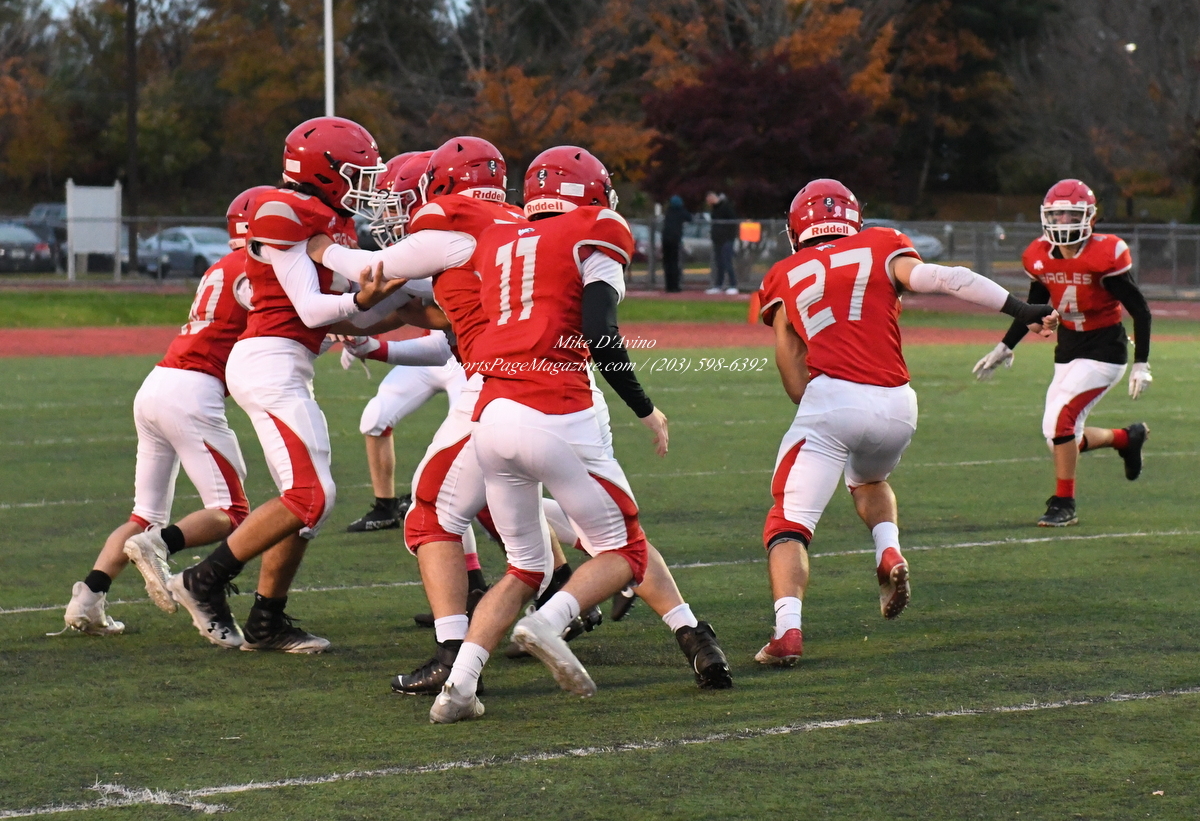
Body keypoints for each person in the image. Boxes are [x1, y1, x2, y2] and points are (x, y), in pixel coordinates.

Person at [428, 145, 731, 725]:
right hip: (557, 409)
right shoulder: (595, 229)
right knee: (625, 551)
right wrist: (644, 407)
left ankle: (459, 688)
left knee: (524, 567)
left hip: (491, 414)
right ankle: (549, 622)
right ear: (590, 192)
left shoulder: (498, 238)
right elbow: (599, 329)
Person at [753, 178, 1057, 666]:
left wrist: (821, 409)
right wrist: (1023, 310)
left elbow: (790, 368)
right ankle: (888, 550)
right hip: (898, 405)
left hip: (832, 398)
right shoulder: (881, 243)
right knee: (869, 478)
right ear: (854, 219)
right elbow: (948, 278)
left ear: (795, 230)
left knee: (788, 524)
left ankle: (788, 632)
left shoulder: (783, 273)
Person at [166, 116, 405, 653]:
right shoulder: (284, 209)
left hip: (288, 365)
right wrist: (364, 300)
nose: (365, 185)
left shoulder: (332, 221)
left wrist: (410, 307)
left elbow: (351, 316)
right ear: (321, 170)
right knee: (310, 496)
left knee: (308, 503)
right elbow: (314, 309)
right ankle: (202, 579)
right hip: (267, 362)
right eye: (357, 173)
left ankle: (266, 620)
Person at [59, 185, 271, 636]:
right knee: (232, 512)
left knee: (144, 513)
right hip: (193, 391)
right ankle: (159, 545)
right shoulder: (256, 268)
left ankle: (87, 601)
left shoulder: (220, 266)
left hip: (158, 382)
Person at [973, 178, 1152, 527]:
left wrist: (1141, 363)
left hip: (1105, 351)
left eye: (1071, 215)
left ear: (1089, 218)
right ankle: (1126, 438)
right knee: (1056, 436)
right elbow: (1033, 308)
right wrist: (1005, 346)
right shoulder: (1038, 256)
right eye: (1057, 215)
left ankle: (1064, 503)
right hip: (1068, 350)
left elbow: (1140, 310)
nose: (1063, 222)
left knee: (1061, 425)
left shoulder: (1105, 254)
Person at [340, 150, 472, 534]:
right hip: (453, 352)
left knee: (460, 477)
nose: (386, 215)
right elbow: (388, 310)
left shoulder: (456, 246)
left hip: (480, 365)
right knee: (377, 418)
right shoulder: (427, 248)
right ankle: (386, 506)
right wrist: (355, 331)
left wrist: (321, 254)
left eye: (394, 202)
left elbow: (446, 320)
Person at [705, 190, 738, 295]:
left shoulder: (726, 206)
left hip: (727, 239)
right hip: (717, 240)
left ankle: (733, 285)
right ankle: (718, 285)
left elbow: (732, 222)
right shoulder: (714, 209)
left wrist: (728, 235)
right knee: (719, 263)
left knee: (727, 262)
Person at [661, 195, 690, 293]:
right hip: (675, 239)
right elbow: (689, 218)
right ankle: (675, 286)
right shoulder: (681, 211)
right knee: (674, 262)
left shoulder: (668, 212)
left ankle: (668, 286)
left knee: (667, 262)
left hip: (665, 239)